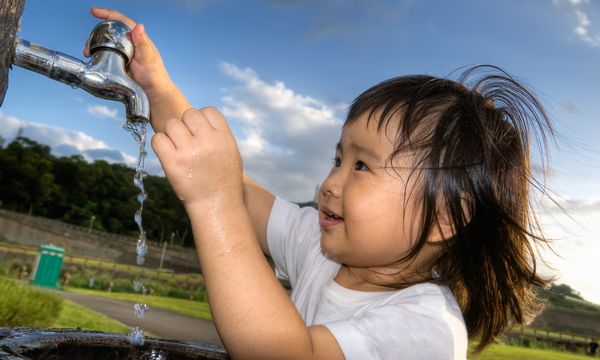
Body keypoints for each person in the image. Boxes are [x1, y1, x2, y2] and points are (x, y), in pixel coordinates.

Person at [87, 8, 554, 359]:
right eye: (337, 159)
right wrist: (159, 91)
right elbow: (241, 192)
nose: (329, 183)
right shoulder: (319, 247)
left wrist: (214, 202)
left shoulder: (425, 327)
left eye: (362, 166)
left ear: (446, 217)